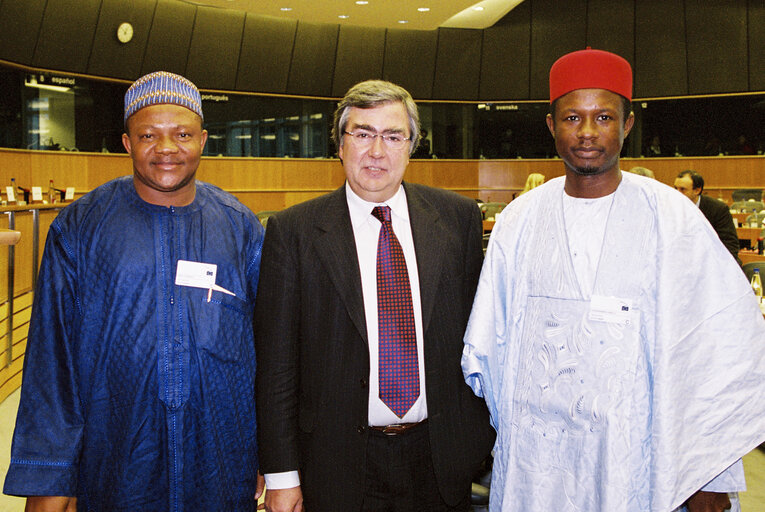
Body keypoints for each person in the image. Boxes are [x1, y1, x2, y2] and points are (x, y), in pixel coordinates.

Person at [461, 48, 765, 512]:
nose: (586, 133)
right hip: (540, 463)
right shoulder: (519, 222)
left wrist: (712, 474)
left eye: (603, 117)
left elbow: (716, 349)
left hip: (637, 459)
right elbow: (488, 347)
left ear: (626, 125)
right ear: (551, 126)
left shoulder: (672, 219)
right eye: (572, 118)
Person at [3, 71, 265, 511]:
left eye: (181, 134)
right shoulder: (80, 229)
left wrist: (271, 456)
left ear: (203, 139)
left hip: (221, 462)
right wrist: (50, 479)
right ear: (127, 143)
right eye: (149, 134)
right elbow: (52, 364)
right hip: (116, 462)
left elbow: (270, 351)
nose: (166, 149)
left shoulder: (240, 228)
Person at [255, 79, 495, 512]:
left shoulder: (457, 220)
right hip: (336, 466)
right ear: (341, 145)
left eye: (392, 136)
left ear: (411, 146)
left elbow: (479, 336)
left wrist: (475, 441)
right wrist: (282, 475)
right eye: (363, 134)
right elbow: (275, 368)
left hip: (440, 461)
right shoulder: (293, 232)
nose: (377, 151)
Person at [674, 169, 741, 264]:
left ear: (697, 190)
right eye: (675, 188)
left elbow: (730, 244)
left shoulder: (718, 209)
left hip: (714, 263)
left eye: (683, 189)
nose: (677, 193)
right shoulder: (671, 208)